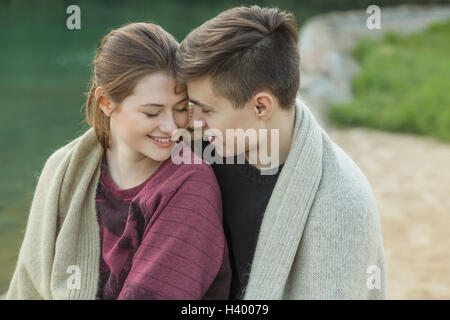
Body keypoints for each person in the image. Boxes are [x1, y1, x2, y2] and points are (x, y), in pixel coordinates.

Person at [7, 22, 231, 300]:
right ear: (106, 103)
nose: (172, 127)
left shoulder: (190, 183)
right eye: (152, 113)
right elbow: (28, 285)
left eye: (181, 109)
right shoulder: (64, 169)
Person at [175, 6, 387, 299]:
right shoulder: (199, 149)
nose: (194, 122)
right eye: (190, 106)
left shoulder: (341, 206)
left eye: (206, 109)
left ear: (261, 106)